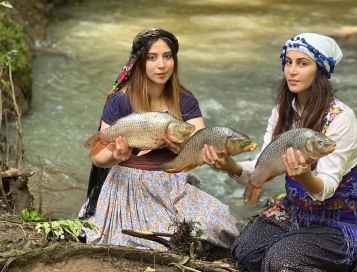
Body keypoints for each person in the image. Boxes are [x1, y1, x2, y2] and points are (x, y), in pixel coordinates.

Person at [202, 33, 357, 271]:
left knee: (280, 259)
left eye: (302, 63)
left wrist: (304, 176)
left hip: (340, 225)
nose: (292, 71)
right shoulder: (283, 111)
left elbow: (326, 186)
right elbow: (263, 165)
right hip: (295, 213)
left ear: (320, 71)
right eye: (288, 62)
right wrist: (230, 165)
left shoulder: (341, 118)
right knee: (245, 251)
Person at [78, 27, 238, 250]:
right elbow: (97, 158)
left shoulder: (185, 100)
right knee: (149, 244)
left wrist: (182, 150)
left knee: (221, 225)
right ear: (139, 61)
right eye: (152, 58)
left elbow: (201, 149)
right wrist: (115, 155)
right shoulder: (120, 100)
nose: (161, 65)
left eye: (167, 56)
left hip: (172, 184)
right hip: (128, 186)